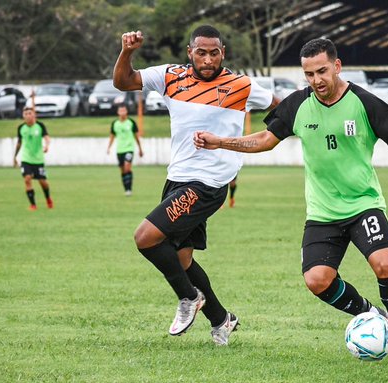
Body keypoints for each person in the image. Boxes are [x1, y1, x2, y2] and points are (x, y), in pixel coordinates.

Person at [194, 38, 388, 368]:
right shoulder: (298, 105)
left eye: (322, 71)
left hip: (362, 204)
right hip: (322, 212)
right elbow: (264, 140)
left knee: (384, 264)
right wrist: (221, 142)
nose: (316, 80)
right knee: (317, 280)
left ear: (337, 66)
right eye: (309, 74)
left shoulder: (363, 102)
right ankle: (371, 314)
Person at [113, 25, 279, 345]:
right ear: (190, 52)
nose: (207, 59)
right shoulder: (170, 76)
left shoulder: (239, 84)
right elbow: (123, 81)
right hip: (177, 178)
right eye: (200, 52)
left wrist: (248, 143)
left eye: (213, 53)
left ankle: (188, 298)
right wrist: (127, 51)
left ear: (223, 53)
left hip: (209, 183)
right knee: (183, 259)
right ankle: (221, 319)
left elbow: (280, 107)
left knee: (146, 237)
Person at [13, 107, 53, 211]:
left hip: (38, 159)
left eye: (29, 113)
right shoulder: (21, 128)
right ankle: (33, 205)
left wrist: (47, 145)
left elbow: (47, 137)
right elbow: (19, 143)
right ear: (23, 116)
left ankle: (48, 198)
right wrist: (15, 157)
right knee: (27, 179)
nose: (27, 116)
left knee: (43, 182)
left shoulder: (39, 126)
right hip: (26, 159)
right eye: (25, 114)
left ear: (34, 115)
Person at [107, 104, 144, 196]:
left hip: (129, 149)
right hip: (120, 150)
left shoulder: (131, 122)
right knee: (122, 170)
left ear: (126, 111)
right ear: (118, 112)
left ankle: (129, 189)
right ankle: (126, 188)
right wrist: (109, 147)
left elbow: (136, 137)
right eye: (121, 111)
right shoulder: (115, 124)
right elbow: (112, 136)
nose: (122, 112)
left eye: (124, 110)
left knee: (127, 167)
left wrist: (140, 149)